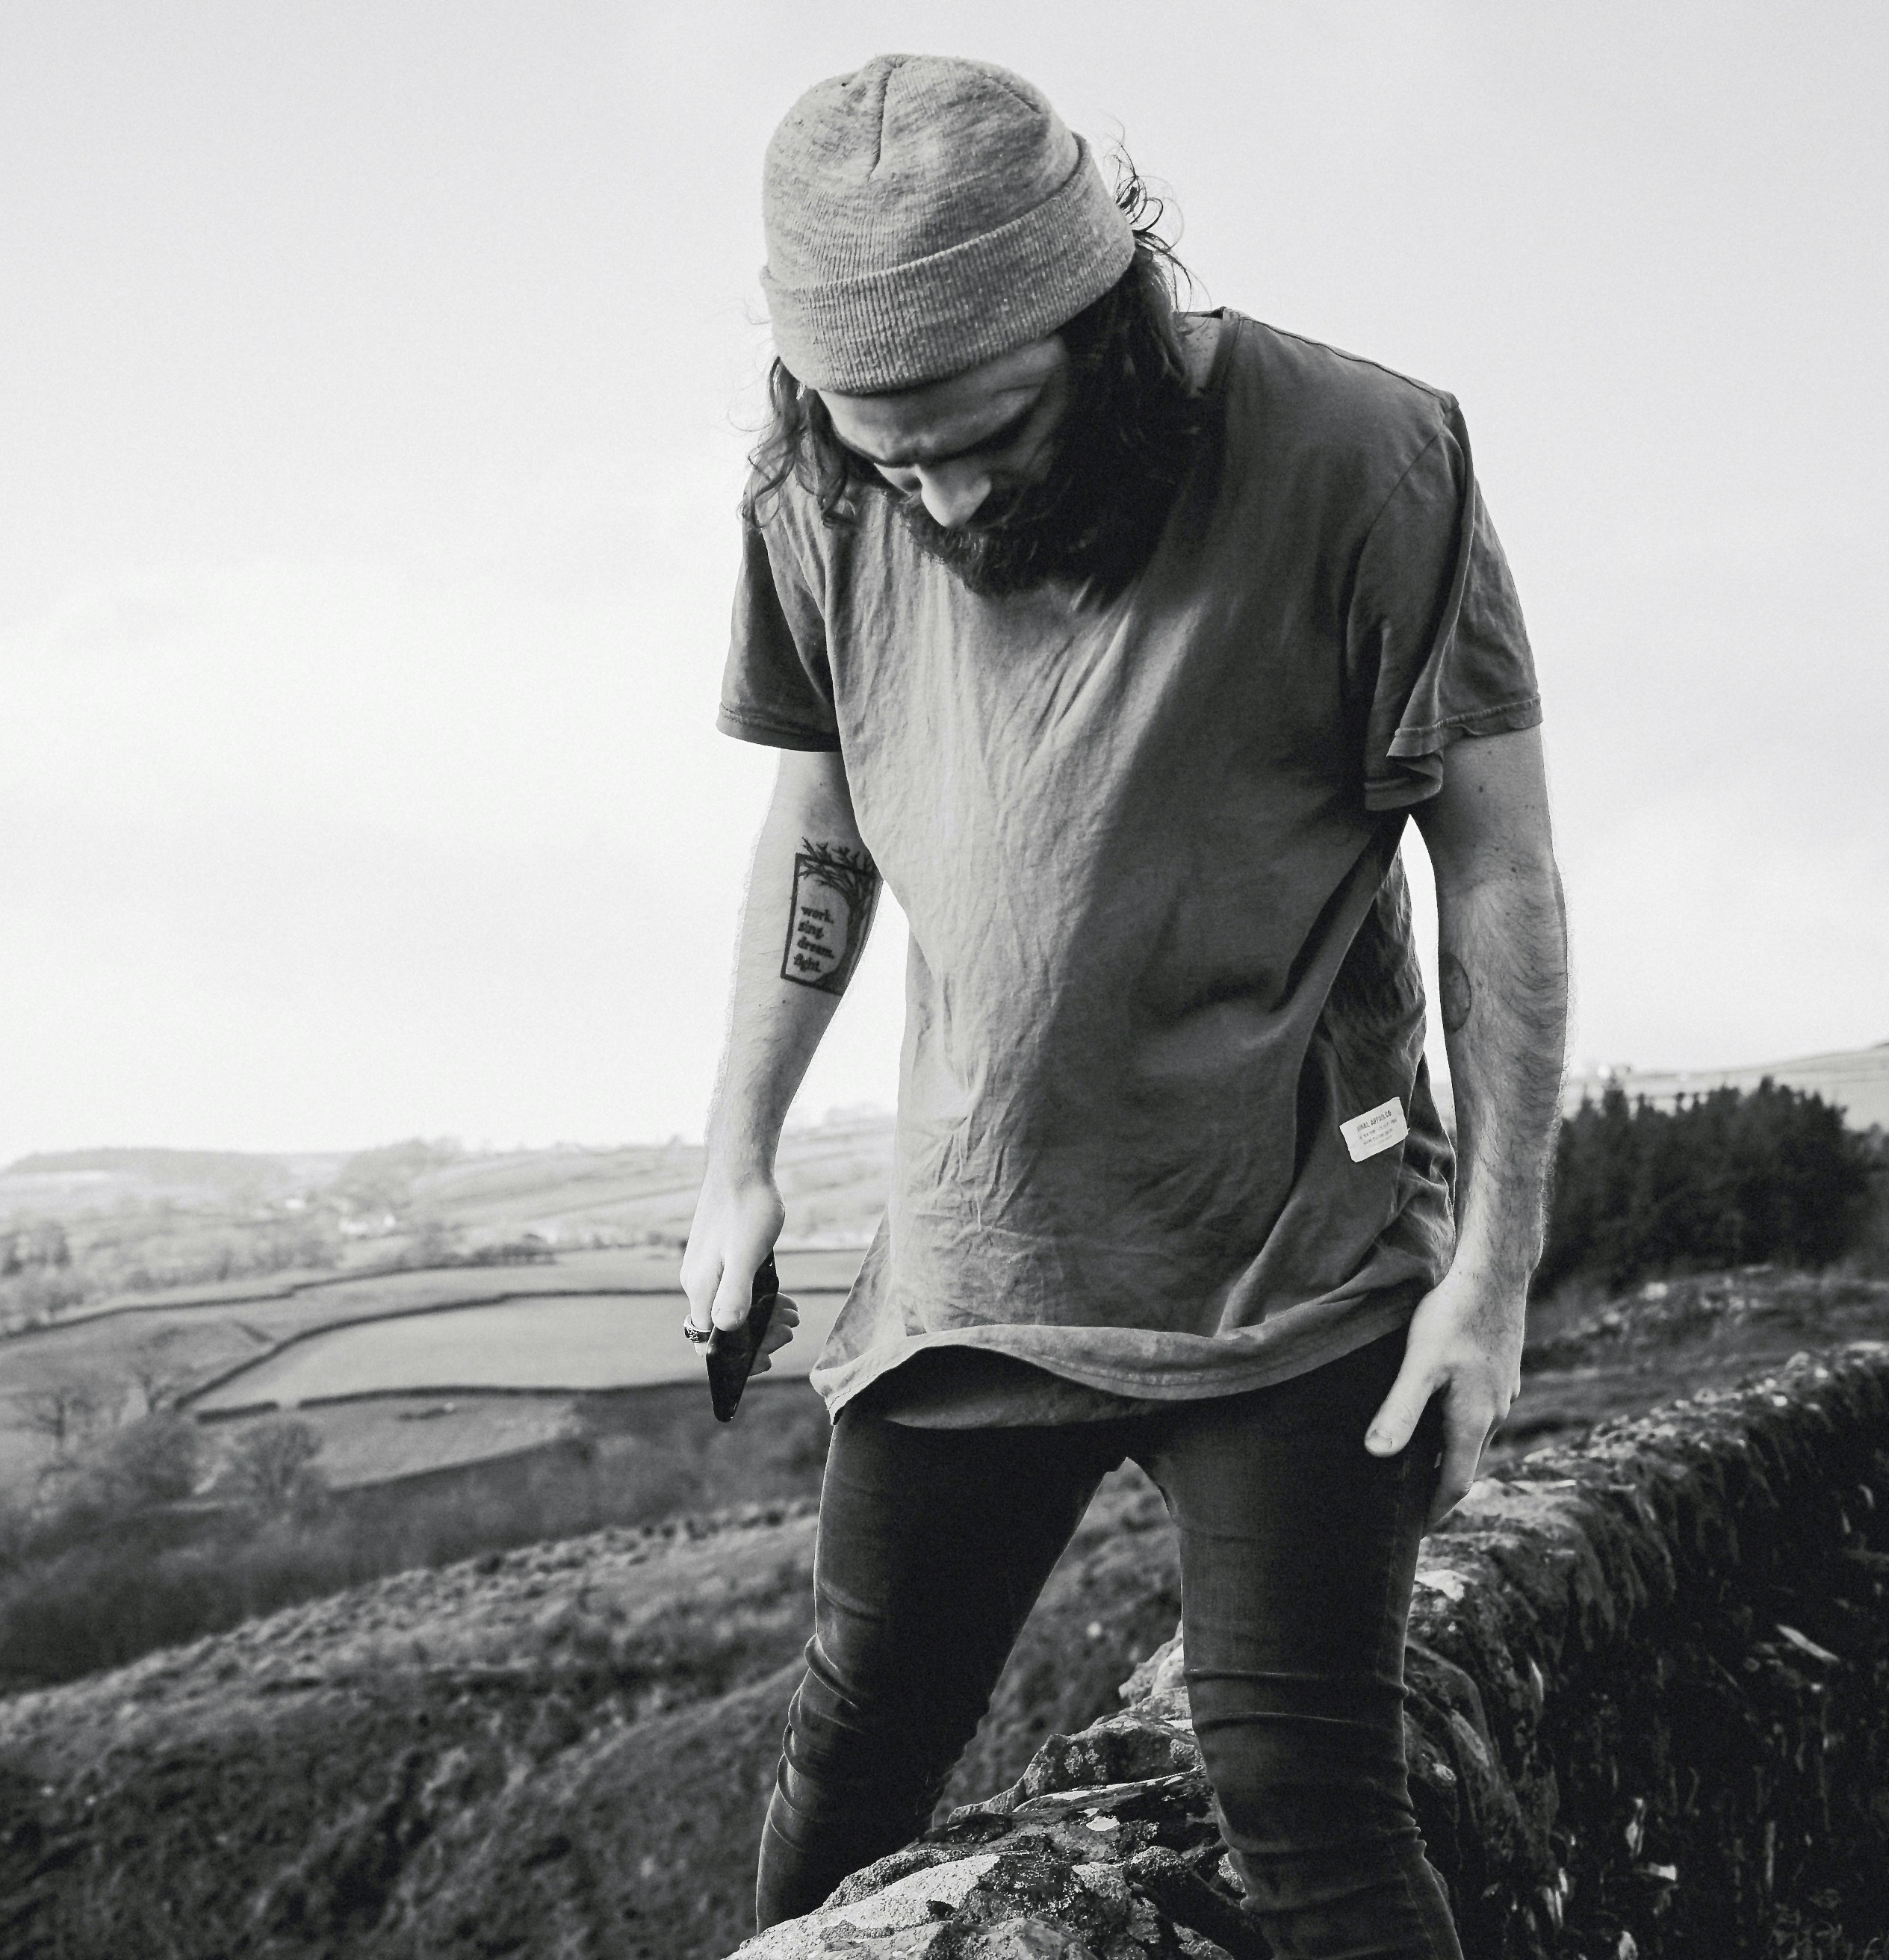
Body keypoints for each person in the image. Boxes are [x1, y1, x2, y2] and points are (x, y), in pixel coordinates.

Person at [678, 55, 1568, 1960]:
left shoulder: (1367, 460)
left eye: (982, 432)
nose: (942, 491)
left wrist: (1487, 1285)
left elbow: (1495, 867)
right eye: (889, 453)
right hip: (972, 1262)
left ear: (1110, 321)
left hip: (1291, 1267)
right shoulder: (814, 491)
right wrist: (735, 1157)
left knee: (1312, 1805)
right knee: (841, 1787)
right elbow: (816, 818)